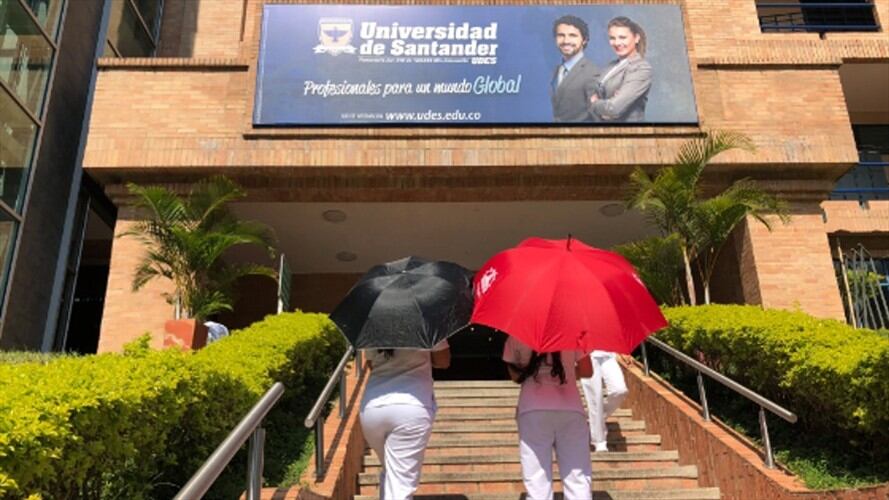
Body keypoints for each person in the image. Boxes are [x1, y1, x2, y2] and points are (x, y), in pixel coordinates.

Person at [503, 337, 594, 500]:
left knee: (537, 479)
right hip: (571, 410)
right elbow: (587, 371)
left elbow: (515, 377)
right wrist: (569, 373)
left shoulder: (517, 334)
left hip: (533, 410)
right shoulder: (573, 334)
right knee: (577, 477)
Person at [360, 341, 451, 499]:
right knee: (400, 485)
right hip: (411, 406)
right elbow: (444, 361)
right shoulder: (426, 322)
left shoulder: (375, 327)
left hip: (372, 408)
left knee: (391, 471)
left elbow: (371, 365)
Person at [589, 16, 653, 122]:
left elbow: (614, 108)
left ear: (636, 38)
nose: (617, 43)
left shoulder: (641, 68)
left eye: (622, 37)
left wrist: (595, 103)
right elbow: (590, 93)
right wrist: (607, 103)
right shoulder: (610, 66)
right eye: (612, 38)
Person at [550, 15, 600, 122]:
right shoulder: (557, 70)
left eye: (573, 35)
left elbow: (598, 117)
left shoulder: (592, 73)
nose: (566, 40)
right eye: (561, 35)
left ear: (584, 40)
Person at [580, 351, 629, 452]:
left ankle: (597, 419)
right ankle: (599, 441)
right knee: (595, 398)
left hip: (608, 354)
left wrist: (621, 352)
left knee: (619, 390)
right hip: (586, 355)